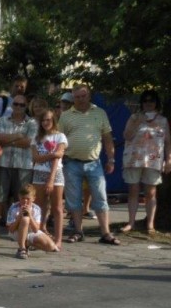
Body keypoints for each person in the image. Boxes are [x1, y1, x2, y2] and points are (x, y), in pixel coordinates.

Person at [58, 84, 120, 245]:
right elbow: (59, 139)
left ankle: (105, 233)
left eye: (83, 96)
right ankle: (78, 231)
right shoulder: (66, 116)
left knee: (100, 197)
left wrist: (111, 159)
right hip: (71, 162)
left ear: (89, 96)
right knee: (73, 199)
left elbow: (107, 138)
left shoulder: (100, 113)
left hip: (94, 163)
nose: (80, 99)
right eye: (77, 97)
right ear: (73, 98)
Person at [121, 89, 171, 234]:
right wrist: (138, 122)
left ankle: (150, 224)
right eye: (145, 101)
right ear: (141, 103)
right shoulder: (134, 117)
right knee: (133, 191)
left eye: (152, 101)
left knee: (151, 192)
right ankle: (131, 223)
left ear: (156, 103)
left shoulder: (162, 120)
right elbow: (126, 136)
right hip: (133, 159)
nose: (148, 103)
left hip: (153, 160)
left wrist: (169, 159)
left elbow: (168, 142)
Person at [0, 93, 37, 239]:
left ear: (26, 106)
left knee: (22, 199)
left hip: (23, 166)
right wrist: (18, 136)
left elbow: (28, 142)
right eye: (15, 104)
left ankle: (20, 229)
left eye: (22, 105)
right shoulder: (2, 120)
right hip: (3, 164)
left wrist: (8, 140)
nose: (18, 107)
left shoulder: (32, 123)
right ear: (12, 105)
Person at [31, 109, 67, 247]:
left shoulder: (60, 136)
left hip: (55, 173)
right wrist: (52, 155)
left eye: (48, 120)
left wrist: (51, 180)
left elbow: (58, 157)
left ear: (53, 121)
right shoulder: (36, 138)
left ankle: (58, 240)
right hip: (39, 173)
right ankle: (39, 236)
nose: (45, 123)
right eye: (43, 120)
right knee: (39, 206)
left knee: (57, 207)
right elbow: (35, 158)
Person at [6, 183, 58, 259]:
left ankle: (27, 243)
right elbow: (11, 229)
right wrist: (19, 216)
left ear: (33, 198)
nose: (25, 201)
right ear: (19, 197)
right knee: (25, 219)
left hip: (31, 232)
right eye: (22, 198)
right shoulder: (14, 207)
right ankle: (22, 248)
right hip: (16, 232)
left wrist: (30, 215)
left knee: (51, 247)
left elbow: (36, 229)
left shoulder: (36, 208)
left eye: (28, 199)